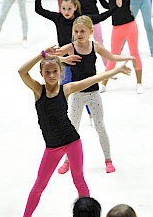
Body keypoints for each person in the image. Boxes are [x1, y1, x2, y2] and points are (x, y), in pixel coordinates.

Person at [14, 48, 131, 217]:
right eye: (47, 72)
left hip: (72, 141)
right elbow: (21, 71)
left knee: (79, 179)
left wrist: (115, 70)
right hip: (52, 147)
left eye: (55, 71)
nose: (52, 75)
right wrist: (41, 55)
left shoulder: (66, 89)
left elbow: (91, 80)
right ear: (41, 74)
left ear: (61, 72)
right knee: (39, 185)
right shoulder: (38, 90)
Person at [55, 15, 137, 174]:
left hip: (93, 94)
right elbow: (50, 56)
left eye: (82, 31)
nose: (79, 34)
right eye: (76, 31)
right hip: (77, 94)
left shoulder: (96, 46)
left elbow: (112, 57)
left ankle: (108, 160)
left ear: (91, 31)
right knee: (72, 128)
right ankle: (67, 161)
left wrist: (129, 57)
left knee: (100, 127)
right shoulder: (71, 47)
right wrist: (63, 59)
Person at [35, 0, 118, 86]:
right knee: (65, 87)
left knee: (83, 86)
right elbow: (39, 10)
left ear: (75, 7)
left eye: (69, 8)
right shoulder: (58, 18)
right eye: (63, 8)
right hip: (64, 59)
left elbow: (101, 16)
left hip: (79, 59)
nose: (66, 12)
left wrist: (116, 6)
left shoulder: (80, 19)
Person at [70, 0, 110, 66]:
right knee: (77, 44)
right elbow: (70, 6)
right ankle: (77, 67)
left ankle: (108, 67)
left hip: (94, 21)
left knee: (100, 43)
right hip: (80, 22)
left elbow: (105, 5)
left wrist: (118, 3)